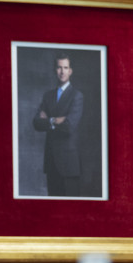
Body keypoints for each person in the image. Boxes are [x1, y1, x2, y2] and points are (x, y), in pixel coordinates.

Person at [31, 53, 84, 197]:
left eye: (65, 67)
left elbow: (69, 126)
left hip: (69, 164)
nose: (62, 71)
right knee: (52, 208)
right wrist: (54, 120)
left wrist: (48, 120)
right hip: (51, 162)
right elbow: (36, 123)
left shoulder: (77, 96)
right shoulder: (47, 96)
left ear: (70, 71)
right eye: (59, 67)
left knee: (71, 210)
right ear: (55, 70)